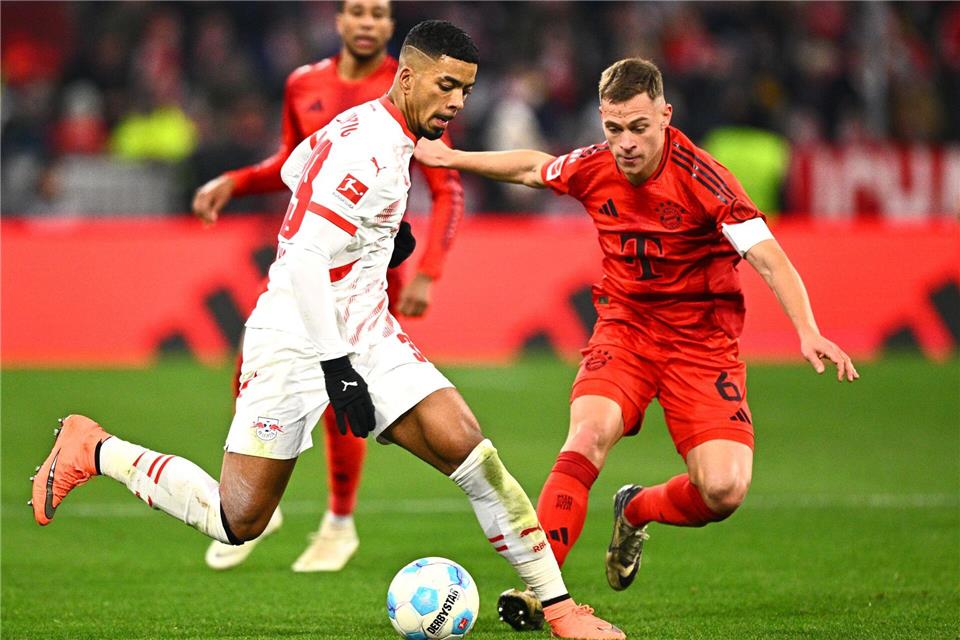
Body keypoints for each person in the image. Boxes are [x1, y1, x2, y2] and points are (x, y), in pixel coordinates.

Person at [31, 21, 625, 640]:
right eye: (446, 86)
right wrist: (337, 368)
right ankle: (95, 448)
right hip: (294, 335)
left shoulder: (379, 132)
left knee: (472, 450)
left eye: (466, 92)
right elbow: (309, 258)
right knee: (240, 519)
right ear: (408, 76)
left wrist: (378, 237)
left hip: (366, 325)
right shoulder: (365, 148)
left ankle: (559, 610)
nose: (456, 103)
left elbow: (295, 170)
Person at [414, 57, 859, 631]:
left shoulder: (705, 179)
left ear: (665, 116)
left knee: (723, 490)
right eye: (613, 128)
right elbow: (535, 167)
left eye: (638, 128)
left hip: (701, 345)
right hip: (624, 329)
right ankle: (540, 589)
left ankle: (636, 508)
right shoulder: (595, 165)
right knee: (589, 431)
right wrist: (452, 156)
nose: (624, 143)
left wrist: (807, 328)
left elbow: (768, 255)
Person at [191, 0, 464, 573]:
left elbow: (447, 187)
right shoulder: (303, 84)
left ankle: (338, 521)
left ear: (391, 29)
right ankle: (264, 493)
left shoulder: (421, 85)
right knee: (256, 366)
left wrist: (429, 273)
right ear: (339, 21)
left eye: (379, 14)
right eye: (357, 12)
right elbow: (289, 163)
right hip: (308, 254)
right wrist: (235, 182)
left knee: (345, 392)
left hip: (368, 275)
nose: (367, 23)